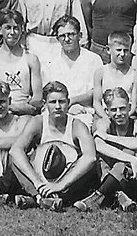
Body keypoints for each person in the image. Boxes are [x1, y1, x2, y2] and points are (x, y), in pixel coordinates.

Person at [8, 81, 99, 210]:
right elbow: (16, 150)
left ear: (68, 103)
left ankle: (41, 199)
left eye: (61, 102)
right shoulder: (38, 122)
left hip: (66, 178)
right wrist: (37, 183)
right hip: (40, 175)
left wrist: (60, 185)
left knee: (89, 166)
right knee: (14, 158)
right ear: (45, 104)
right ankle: (39, 197)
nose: (57, 106)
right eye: (52, 102)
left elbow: (90, 157)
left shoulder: (77, 125)